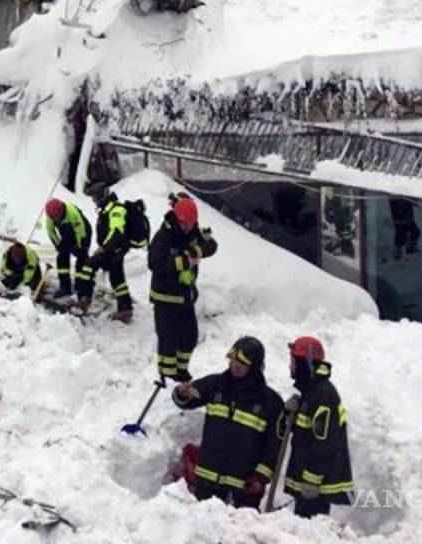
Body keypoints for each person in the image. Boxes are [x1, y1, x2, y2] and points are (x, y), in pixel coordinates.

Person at [172, 337, 284, 508]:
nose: (235, 365)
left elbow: (274, 446)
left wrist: (260, 478)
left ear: (255, 366)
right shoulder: (215, 385)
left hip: (244, 487)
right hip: (208, 480)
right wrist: (182, 393)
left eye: (242, 363)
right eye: (233, 360)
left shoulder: (270, 401)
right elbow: (185, 400)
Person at [283, 336, 353, 519]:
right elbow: (305, 433)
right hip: (308, 481)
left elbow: (325, 442)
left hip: (315, 486)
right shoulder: (311, 392)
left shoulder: (323, 394)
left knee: (310, 527)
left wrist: (312, 479)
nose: (290, 367)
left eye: (293, 362)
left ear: (305, 363)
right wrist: (291, 414)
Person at [148, 194, 216, 381]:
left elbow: (212, 245)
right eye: (185, 224)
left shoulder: (195, 231)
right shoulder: (163, 236)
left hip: (186, 295)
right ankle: (166, 375)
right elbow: (155, 263)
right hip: (165, 297)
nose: (188, 228)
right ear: (177, 219)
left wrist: (197, 251)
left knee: (189, 337)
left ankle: (181, 370)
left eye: (191, 224)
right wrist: (185, 261)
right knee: (168, 339)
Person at [83, 187, 135, 322]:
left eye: (94, 198)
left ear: (101, 196)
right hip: (114, 249)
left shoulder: (116, 209)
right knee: (117, 279)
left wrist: (104, 247)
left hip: (113, 249)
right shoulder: (107, 208)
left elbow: (116, 230)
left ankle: (84, 300)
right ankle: (126, 309)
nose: (93, 201)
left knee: (88, 265)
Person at [44, 198, 92, 300]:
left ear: (61, 211)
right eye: (53, 218)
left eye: (57, 217)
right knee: (61, 257)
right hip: (67, 233)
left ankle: (80, 286)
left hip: (83, 232)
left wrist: (80, 247)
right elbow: (51, 232)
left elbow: (81, 231)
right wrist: (58, 245)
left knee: (82, 257)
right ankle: (65, 286)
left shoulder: (72, 213)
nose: (55, 220)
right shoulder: (50, 217)